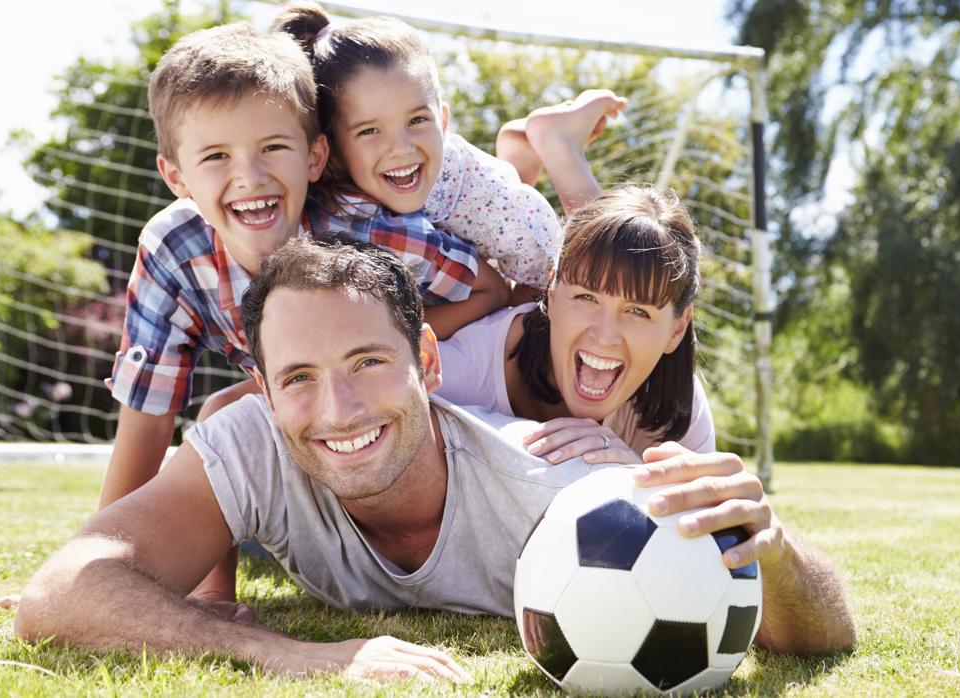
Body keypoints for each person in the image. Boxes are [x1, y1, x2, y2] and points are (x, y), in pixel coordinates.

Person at [14, 237, 856, 683]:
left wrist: (771, 547)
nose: (337, 410)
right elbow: (60, 591)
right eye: (299, 378)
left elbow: (815, 639)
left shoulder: (564, 494)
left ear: (427, 360)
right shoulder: (254, 444)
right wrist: (300, 656)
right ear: (264, 394)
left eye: (368, 364)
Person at [92, 20, 613, 611]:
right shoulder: (173, 251)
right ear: (176, 177)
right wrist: (105, 553)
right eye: (216, 157)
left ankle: (540, 160)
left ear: (315, 157)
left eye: (273, 149)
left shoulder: (367, 230)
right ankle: (215, 594)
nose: (251, 177)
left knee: (578, 278)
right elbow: (148, 414)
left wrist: (399, 345)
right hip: (316, 402)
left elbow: (494, 289)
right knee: (223, 417)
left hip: (421, 369)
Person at [273, 2, 627, 299]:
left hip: (516, 224)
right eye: (369, 131)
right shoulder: (356, 187)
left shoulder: (505, 220)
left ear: (443, 121)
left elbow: (511, 295)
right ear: (331, 147)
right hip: (475, 186)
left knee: (595, 271)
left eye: (416, 121)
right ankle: (519, 156)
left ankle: (557, 143)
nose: (400, 147)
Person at [436, 185, 714, 466]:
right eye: (587, 297)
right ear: (552, 292)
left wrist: (631, 478)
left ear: (677, 329)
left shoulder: (677, 411)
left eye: (637, 311)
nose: (605, 337)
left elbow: (698, 507)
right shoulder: (456, 376)